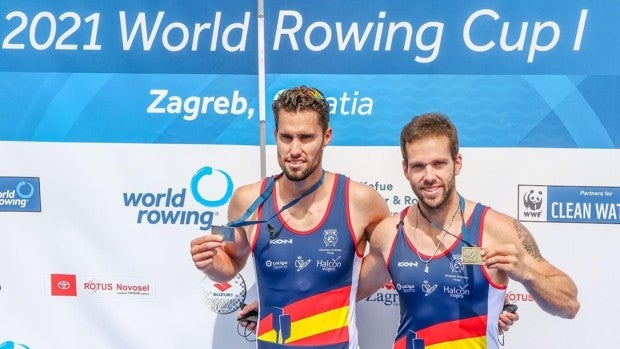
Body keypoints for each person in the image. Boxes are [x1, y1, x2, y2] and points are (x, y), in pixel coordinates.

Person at [190, 85, 391, 349]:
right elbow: (230, 263)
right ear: (275, 135)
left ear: (326, 136)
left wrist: (311, 307)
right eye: (286, 137)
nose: (295, 150)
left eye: (306, 137)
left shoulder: (361, 201)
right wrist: (209, 261)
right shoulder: (246, 200)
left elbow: (390, 259)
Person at [357, 112, 580, 348]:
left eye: (439, 164)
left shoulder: (497, 229)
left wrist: (526, 274)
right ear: (405, 169)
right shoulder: (390, 232)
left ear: (457, 163)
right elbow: (344, 295)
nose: (429, 176)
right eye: (418, 166)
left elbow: (570, 305)